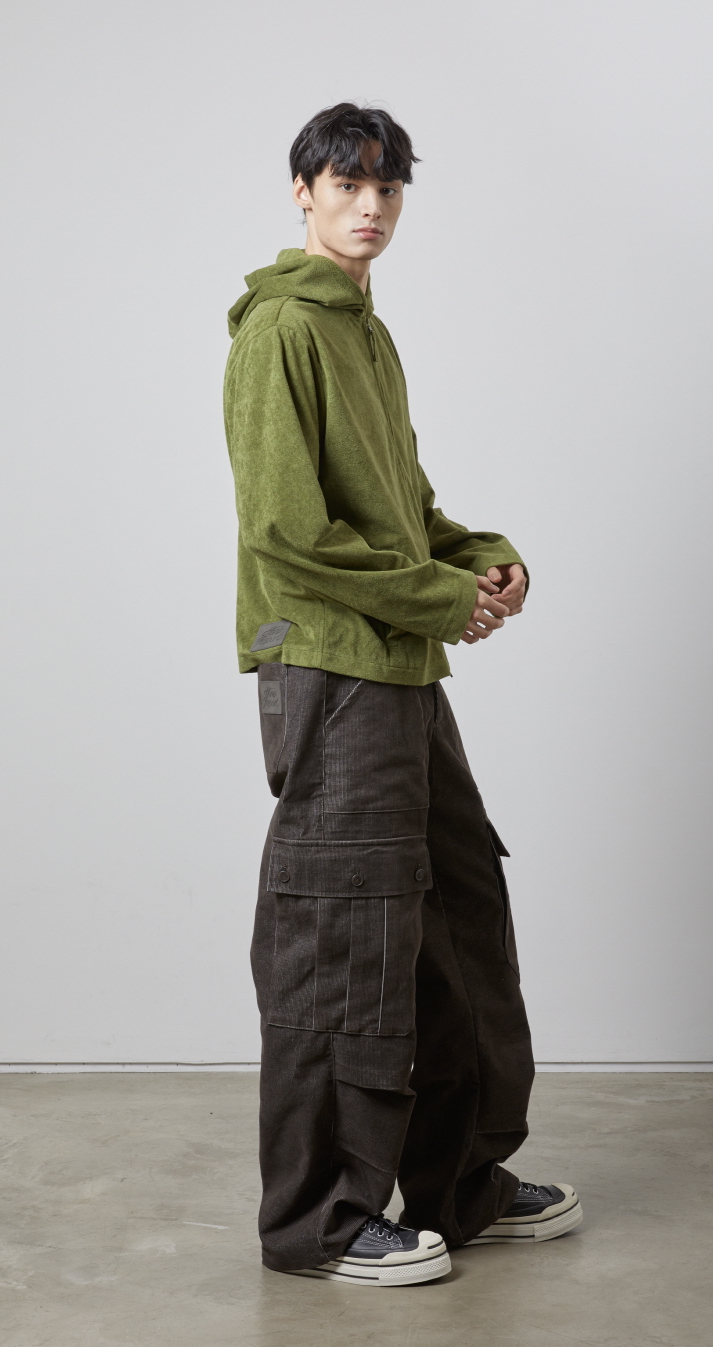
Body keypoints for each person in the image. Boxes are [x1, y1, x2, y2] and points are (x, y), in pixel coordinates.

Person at [223, 103, 581, 1286]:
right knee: (346, 935)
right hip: (332, 670)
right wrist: (440, 600)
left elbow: (404, 513)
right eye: (346, 184)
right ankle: (321, 1223)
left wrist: (484, 562)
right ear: (302, 192)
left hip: (400, 670)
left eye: (387, 188)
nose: (369, 206)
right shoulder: (282, 328)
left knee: (456, 917)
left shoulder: (365, 332)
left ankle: (457, 1184)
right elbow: (287, 535)